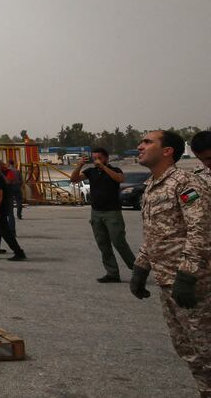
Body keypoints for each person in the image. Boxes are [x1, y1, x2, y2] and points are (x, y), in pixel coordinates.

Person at [130, 130, 211, 396]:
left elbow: (201, 230)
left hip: (193, 284)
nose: (140, 146)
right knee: (188, 350)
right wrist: (141, 267)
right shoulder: (152, 186)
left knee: (207, 349)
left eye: (147, 142)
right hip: (167, 283)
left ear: (167, 151)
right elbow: (155, 233)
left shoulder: (185, 183)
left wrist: (187, 275)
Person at [69, 146, 135, 283]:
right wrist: (80, 165)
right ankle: (112, 273)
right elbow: (74, 179)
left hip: (112, 212)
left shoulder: (114, 170)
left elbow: (120, 179)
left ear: (106, 158)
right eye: (94, 158)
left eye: (99, 158)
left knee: (119, 242)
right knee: (103, 244)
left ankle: (137, 269)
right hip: (96, 212)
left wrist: (104, 168)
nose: (96, 160)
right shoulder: (90, 172)